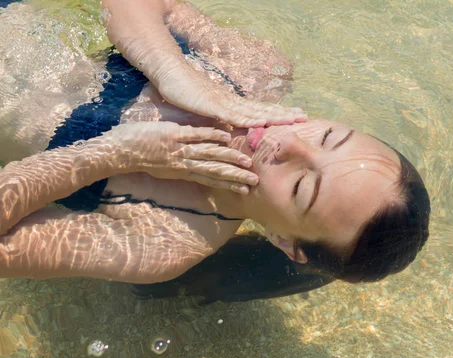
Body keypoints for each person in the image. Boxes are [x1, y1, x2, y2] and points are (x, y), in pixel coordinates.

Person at [0, 1, 430, 292]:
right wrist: (173, 72)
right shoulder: (260, 71)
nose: (290, 142)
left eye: (301, 187)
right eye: (331, 137)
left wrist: (112, 153)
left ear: (284, 241)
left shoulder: (163, 240)